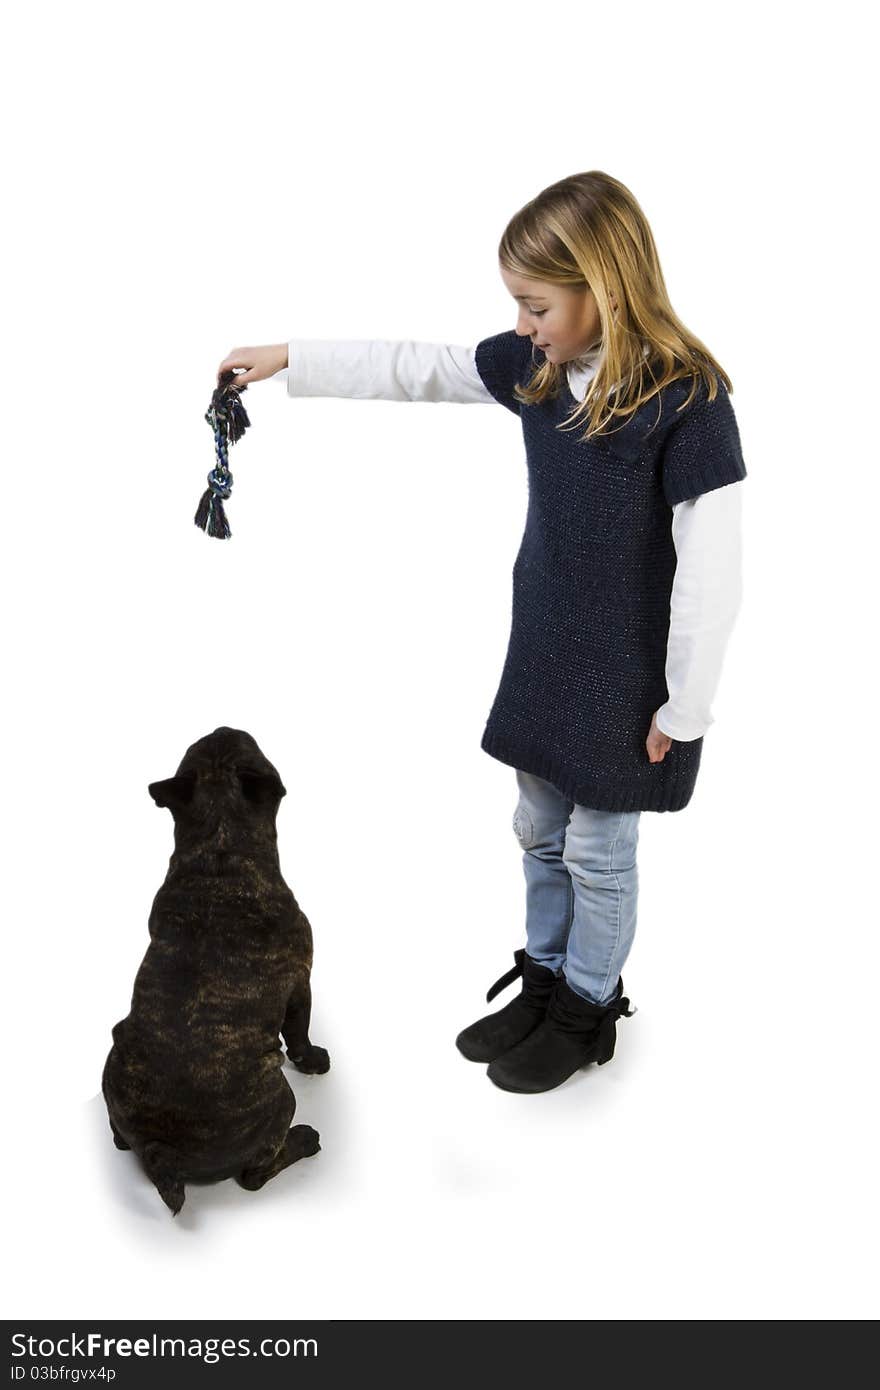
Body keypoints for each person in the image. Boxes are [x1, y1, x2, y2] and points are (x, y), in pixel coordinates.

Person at [216, 169, 747, 1095]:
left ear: (604, 287)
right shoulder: (539, 368)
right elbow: (418, 366)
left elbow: (713, 567)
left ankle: (588, 1008)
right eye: (517, 305)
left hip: (628, 672)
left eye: (536, 304)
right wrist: (291, 355)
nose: (524, 324)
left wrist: (687, 703)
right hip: (545, 644)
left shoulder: (686, 400)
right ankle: (544, 980)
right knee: (538, 827)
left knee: (599, 848)